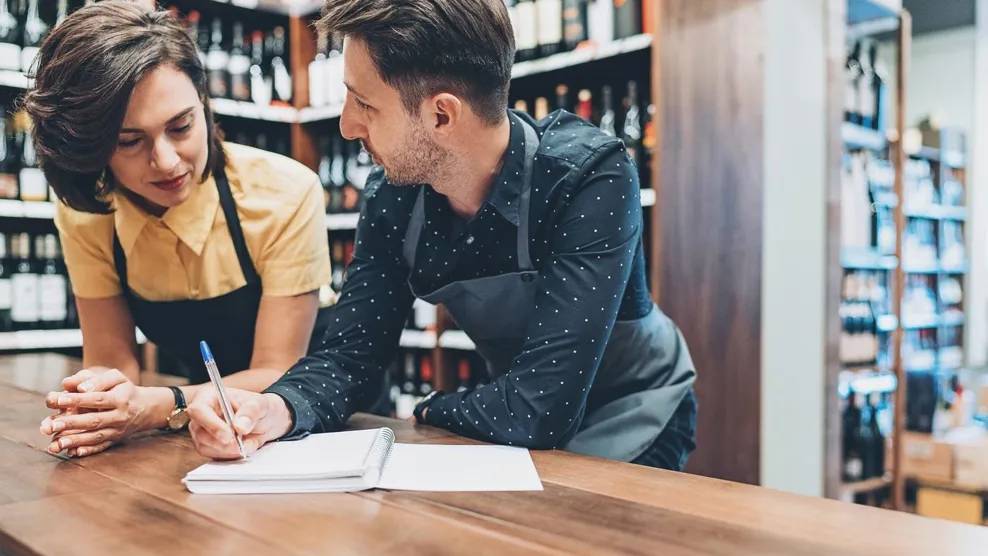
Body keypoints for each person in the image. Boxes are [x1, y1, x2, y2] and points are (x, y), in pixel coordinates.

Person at [189, 0, 698, 471]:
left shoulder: (587, 176)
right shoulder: (394, 195)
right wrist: (274, 408)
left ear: (441, 115)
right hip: (521, 419)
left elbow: (541, 407)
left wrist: (431, 408)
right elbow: (351, 358)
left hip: (637, 414)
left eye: (363, 103)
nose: (346, 126)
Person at [27, 1, 337, 458]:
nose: (167, 161)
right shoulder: (89, 215)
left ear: (205, 103)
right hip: (199, 435)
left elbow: (275, 371)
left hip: (309, 420)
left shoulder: (286, 193)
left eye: (181, 126)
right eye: (130, 141)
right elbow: (112, 360)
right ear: (92, 149)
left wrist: (159, 407)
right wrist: (98, 403)